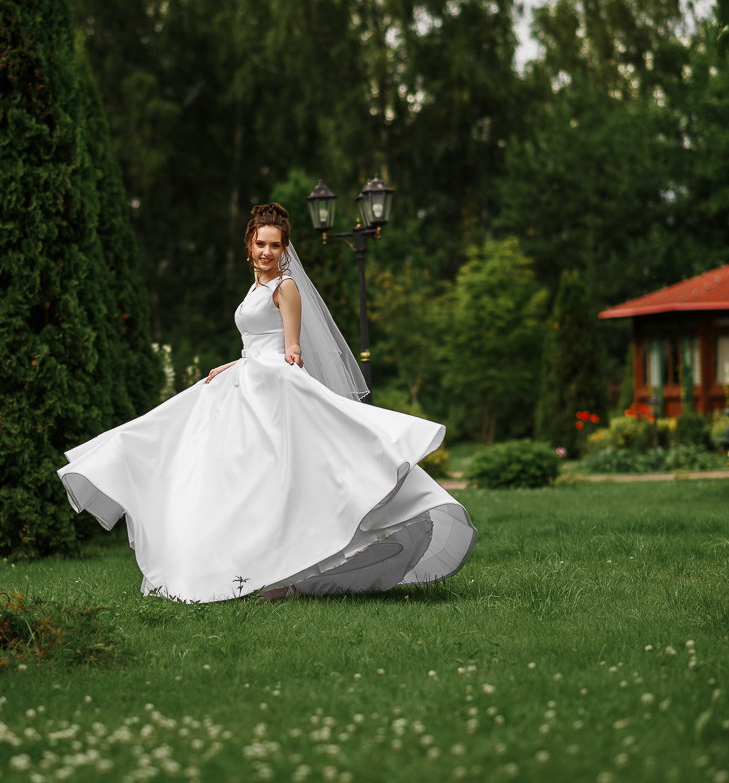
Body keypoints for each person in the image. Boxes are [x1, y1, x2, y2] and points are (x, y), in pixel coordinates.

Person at [58, 203, 476, 603]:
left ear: (284, 249)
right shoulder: (255, 286)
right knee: (185, 449)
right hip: (244, 375)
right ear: (249, 246)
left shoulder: (285, 286)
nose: (266, 252)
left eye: (275, 245)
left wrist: (291, 359)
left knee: (270, 477)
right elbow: (255, 342)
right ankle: (238, 561)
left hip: (269, 384)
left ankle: (281, 570)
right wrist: (231, 364)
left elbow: (288, 345)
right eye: (261, 244)